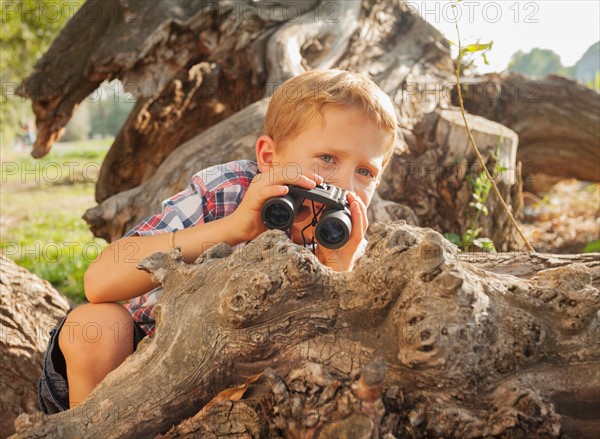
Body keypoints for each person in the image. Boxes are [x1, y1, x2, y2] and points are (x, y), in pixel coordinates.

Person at [37, 69, 398, 414]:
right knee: (98, 325)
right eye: (327, 159)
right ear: (269, 158)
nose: (346, 184)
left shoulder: (351, 242)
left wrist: (337, 270)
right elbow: (98, 282)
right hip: (138, 358)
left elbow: (336, 352)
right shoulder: (228, 191)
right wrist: (233, 227)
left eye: (365, 171)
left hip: (233, 383)